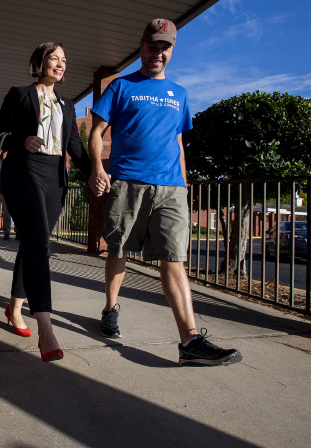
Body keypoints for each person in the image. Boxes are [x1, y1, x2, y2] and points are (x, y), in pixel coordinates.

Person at [88, 19, 242, 366]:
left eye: (165, 47)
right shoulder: (121, 87)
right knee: (119, 248)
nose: (158, 52)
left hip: (171, 188)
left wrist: (184, 187)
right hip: (128, 180)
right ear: (142, 45)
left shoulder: (180, 94)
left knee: (175, 257)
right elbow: (97, 131)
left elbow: (178, 141)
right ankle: (110, 309)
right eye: (153, 45)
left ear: (171, 50)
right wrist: (98, 168)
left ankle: (190, 341)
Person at [0, 42, 92, 362]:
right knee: (38, 244)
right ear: (40, 62)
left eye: (64, 60)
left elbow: (75, 147)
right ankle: (46, 329)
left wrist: (96, 173)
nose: (60, 64)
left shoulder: (68, 104)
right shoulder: (19, 94)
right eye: (54, 58)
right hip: (24, 170)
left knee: (34, 244)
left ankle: (14, 307)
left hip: (54, 178)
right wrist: (20, 140)